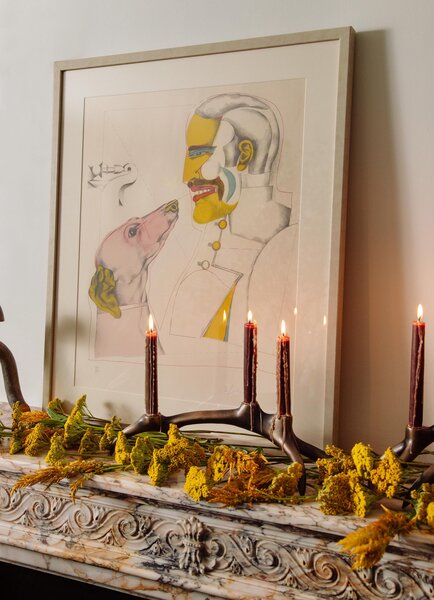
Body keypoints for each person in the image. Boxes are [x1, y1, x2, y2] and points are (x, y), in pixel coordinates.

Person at [166, 92, 295, 345]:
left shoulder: (287, 247)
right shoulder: (208, 253)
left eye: (197, 154)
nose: (186, 176)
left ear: (244, 154)